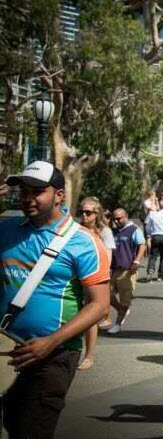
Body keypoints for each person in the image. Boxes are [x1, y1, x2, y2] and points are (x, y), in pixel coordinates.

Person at [1, 161, 110, 438]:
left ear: (59, 195)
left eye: (37, 191)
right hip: (6, 349)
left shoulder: (83, 242)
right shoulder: (6, 229)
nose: (27, 198)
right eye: (24, 191)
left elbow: (99, 305)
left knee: (32, 430)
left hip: (53, 355)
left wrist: (51, 341)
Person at [76, 196, 115, 370]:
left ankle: (89, 356)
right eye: (82, 212)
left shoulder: (104, 232)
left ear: (97, 213)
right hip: (76, 277)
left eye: (88, 212)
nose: (84, 215)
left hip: (95, 278)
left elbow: (108, 257)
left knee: (90, 317)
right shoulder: (76, 230)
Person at [108, 208, 146, 334]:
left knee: (125, 299)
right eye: (114, 219)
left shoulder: (134, 230)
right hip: (114, 269)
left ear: (126, 217)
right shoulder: (113, 231)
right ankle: (122, 310)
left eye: (119, 218)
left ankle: (118, 324)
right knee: (107, 295)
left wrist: (136, 261)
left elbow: (142, 245)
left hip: (127, 270)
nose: (116, 221)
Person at [145, 200, 163, 281]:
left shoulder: (153, 215)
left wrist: (149, 235)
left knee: (153, 255)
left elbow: (147, 226)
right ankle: (160, 275)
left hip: (155, 236)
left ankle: (150, 269)